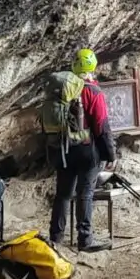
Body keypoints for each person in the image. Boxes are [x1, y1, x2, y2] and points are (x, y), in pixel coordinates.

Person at [46, 47, 118, 253]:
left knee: (63, 195)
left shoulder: (62, 89)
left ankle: (56, 238)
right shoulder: (92, 91)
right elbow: (101, 126)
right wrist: (110, 154)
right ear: (92, 68)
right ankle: (85, 239)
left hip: (63, 149)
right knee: (85, 194)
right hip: (87, 150)